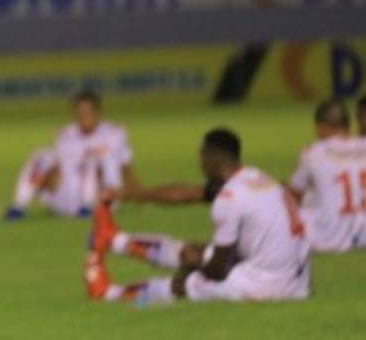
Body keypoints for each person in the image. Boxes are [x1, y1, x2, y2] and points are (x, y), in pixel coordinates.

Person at [86, 128, 310, 305]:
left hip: (269, 285)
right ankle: (113, 239)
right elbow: (184, 194)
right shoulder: (257, 178)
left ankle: (108, 293)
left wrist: (187, 268)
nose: (199, 160)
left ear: (212, 159)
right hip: (296, 278)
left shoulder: (230, 197)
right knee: (194, 251)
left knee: (186, 283)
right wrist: (129, 194)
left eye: (201, 154)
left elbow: (218, 269)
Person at [5, 91, 138, 219]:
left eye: (87, 112)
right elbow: (56, 170)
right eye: (79, 113)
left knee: (94, 158)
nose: (83, 117)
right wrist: (45, 183)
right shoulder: (66, 134)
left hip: (103, 198)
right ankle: (19, 205)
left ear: (97, 113)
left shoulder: (114, 133)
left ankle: (88, 206)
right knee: (41, 155)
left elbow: (124, 166)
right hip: (70, 195)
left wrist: (137, 194)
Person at [286, 99, 366, 252]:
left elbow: (293, 198)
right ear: (348, 125)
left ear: (320, 127)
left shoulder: (314, 152)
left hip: (329, 236)